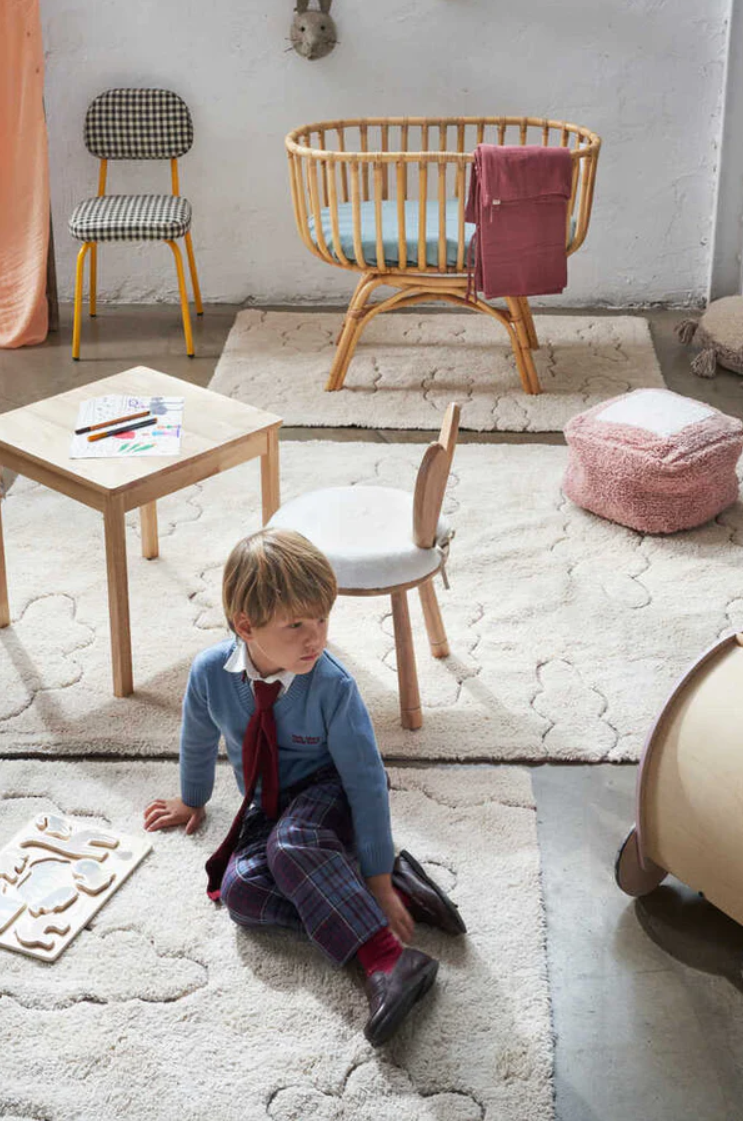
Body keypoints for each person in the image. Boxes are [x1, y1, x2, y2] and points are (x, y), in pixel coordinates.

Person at [144, 527, 465, 1046]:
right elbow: (198, 736)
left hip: (331, 790)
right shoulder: (209, 674)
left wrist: (376, 873)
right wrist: (191, 798)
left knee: (292, 845)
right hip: (269, 805)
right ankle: (395, 889)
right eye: (295, 624)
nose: (314, 637)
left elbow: (366, 781)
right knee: (241, 892)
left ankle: (388, 959)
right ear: (245, 626)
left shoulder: (333, 686)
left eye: (321, 619)